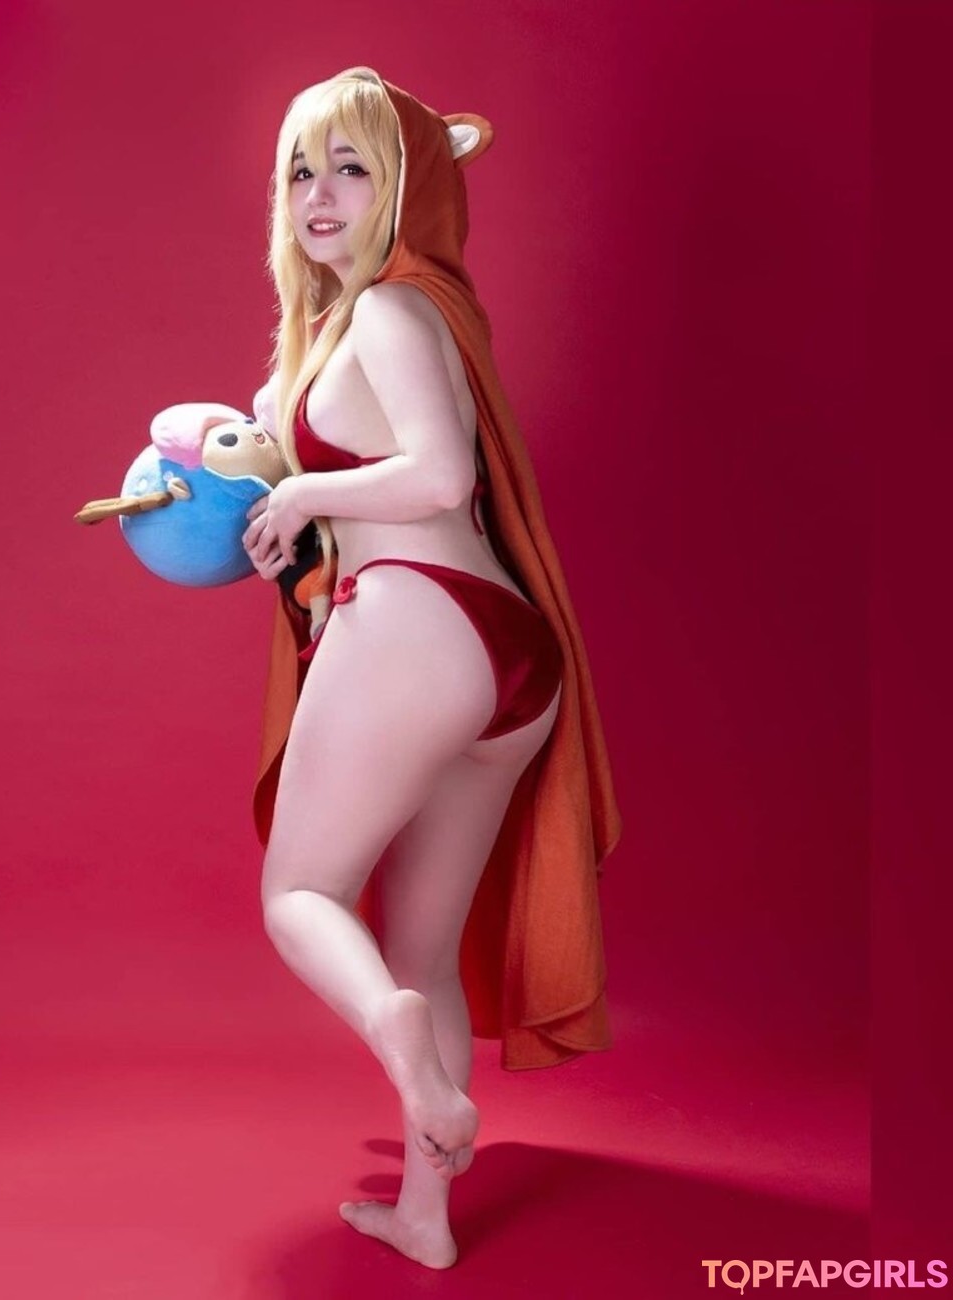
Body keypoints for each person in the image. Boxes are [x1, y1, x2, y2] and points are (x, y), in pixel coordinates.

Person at [241, 67, 621, 1270]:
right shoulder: (372, 319)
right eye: (301, 170)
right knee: (420, 948)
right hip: (500, 660)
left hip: (420, 624)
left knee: (300, 896)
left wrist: (303, 489)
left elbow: (442, 474)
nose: (319, 193)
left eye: (352, 167)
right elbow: (322, 468)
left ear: (407, 188)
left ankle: (394, 1037)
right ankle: (424, 1212)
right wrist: (269, 499)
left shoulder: (394, 310)